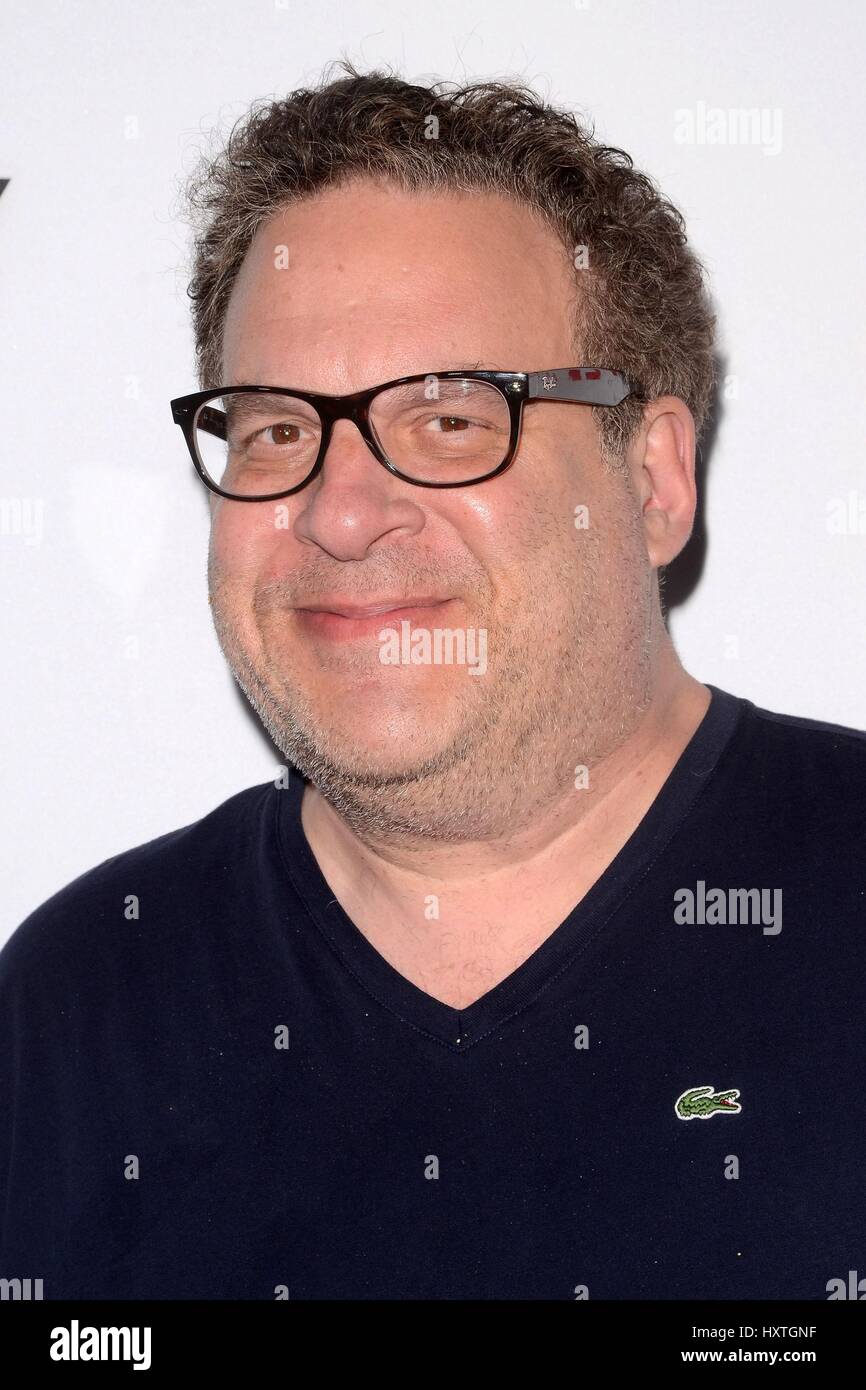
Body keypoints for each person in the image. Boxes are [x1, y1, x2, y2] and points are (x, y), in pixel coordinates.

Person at [2, 62, 864, 1302]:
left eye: (452, 420)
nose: (340, 513)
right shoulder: (77, 1003)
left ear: (653, 480)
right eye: (277, 428)